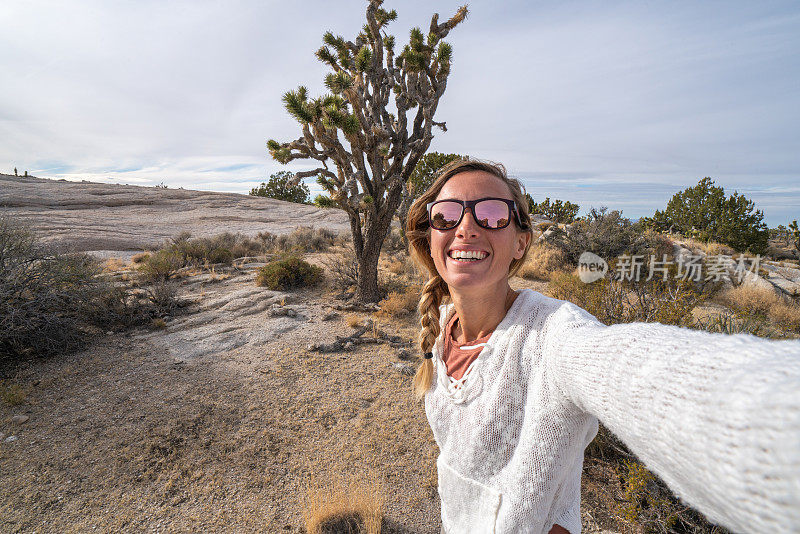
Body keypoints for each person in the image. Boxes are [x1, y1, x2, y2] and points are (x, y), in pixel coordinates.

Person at [404, 158, 800, 534]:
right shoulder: (440, 327)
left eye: (491, 214)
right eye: (447, 214)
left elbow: (632, 370)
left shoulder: (554, 335)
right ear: (432, 233)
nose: (466, 227)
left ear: (521, 243)